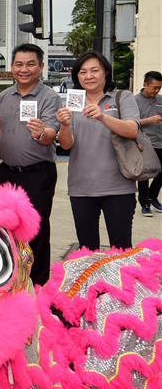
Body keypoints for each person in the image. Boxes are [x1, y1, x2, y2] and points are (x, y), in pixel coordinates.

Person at [0, 44, 60, 285]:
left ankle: (37, 283)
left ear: (41, 66)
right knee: (4, 228)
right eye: (19, 64)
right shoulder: (4, 96)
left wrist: (42, 133)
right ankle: (8, 278)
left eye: (30, 64)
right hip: (6, 172)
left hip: (38, 174)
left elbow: (52, 133)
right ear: (11, 67)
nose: (24, 69)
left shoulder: (49, 97)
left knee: (36, 230)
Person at [56, 51, 140, 250]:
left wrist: (103, 116)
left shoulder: (122, 97)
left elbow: (131, 130)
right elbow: (66, 145)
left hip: (118, 186)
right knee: (87, 250)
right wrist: (65, 125)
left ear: (106, 73)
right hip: (81, 187)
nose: (89, 76)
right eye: (83, 72)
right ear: (77, 76)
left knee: (121, 250)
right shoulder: (71, 102)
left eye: (95, 70)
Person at [136, 70, 162, 217]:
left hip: (160, 142)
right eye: (154, 87)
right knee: (144, 174)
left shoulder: (160, 100)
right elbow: (129, 123)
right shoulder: (134, 101)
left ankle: (152, 196)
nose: (157, 91)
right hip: (144, 143)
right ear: (145, 84)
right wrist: (148, 120)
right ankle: (145, 203)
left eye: (159, 88)